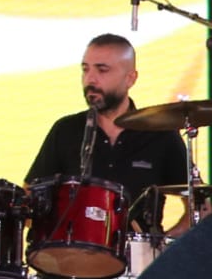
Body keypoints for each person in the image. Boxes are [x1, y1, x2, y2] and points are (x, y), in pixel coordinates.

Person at [25, 33, 193, 235]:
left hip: (139, 253)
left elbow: (200, 207)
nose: (90, 79)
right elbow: (29, 198)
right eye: (85, 69)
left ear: (130, 78)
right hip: (72, 250)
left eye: (102, 70)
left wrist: (164, 247)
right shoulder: (66, 130)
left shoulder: (160, 134)